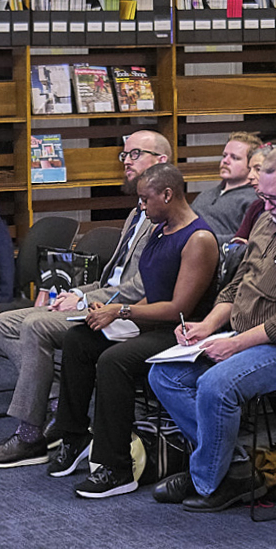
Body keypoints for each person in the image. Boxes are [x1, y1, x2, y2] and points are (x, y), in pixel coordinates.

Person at [144, 145, 276, 511]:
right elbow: (238, 284)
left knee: (216, 385)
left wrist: (236, 344)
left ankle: (209, 483)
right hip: (248, 337)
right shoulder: (267, 218)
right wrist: (207, 326)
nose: (268, 205)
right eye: (263, 196)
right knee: (165, 376)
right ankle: (235, 468)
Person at [0, 129, 173, 468]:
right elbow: (113, 274)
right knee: (4, 324)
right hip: (100, 298)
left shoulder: (164, 215)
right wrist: (76, 292)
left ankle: (29, 435)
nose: (126, 161)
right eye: (124, 155)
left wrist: (82, 301)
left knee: (36, 325)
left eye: (135, 154)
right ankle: (56, 407)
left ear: (161, 161)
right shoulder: (136, 212)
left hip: (125, 313)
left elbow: (140, 285)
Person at [51, 168, 224, 498]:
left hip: (182, 333)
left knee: (115, 361)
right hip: (151, 323)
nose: (141, 207)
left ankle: (117, 468)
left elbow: (178, 308)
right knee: (80, 339)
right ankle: (73, 437)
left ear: (168, 195)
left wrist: (122, 311)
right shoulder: (160, 231)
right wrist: (108, 313)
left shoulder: (198, 239)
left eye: (145, 199)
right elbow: (154, 294)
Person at [196, 134, 262, 238]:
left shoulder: (254, 201)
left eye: (235, 158)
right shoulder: (205, 194)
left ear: (251, 164)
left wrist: (200, 240)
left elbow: (245, 240)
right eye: (224, 155)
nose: (225, 161)